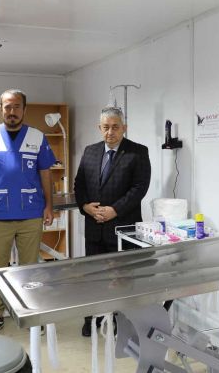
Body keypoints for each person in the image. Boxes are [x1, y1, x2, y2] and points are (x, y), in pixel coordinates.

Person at [0, 89, 55, 334]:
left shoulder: (37, 137)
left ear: (24, 109)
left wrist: (49, 206)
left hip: (31, 213)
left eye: (17, 106)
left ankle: (30, 314)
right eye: (7, 106)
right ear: (1, 109)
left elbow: (45, 174)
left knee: (30, 268)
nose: (12, 111)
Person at [74, 106, 151, 336]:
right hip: (94, 227)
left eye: (115, 127)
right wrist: (85, 206)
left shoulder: (138, 152)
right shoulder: (90, 151)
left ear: (124, 128)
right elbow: (79, 184)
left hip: (122, 227)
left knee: (122, 277)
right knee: (94, 275)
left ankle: (121, 321)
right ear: (99, 128)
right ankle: (92, 319)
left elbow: (139, 188)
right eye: (106, 127)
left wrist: (115, 210)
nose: (110, 132)